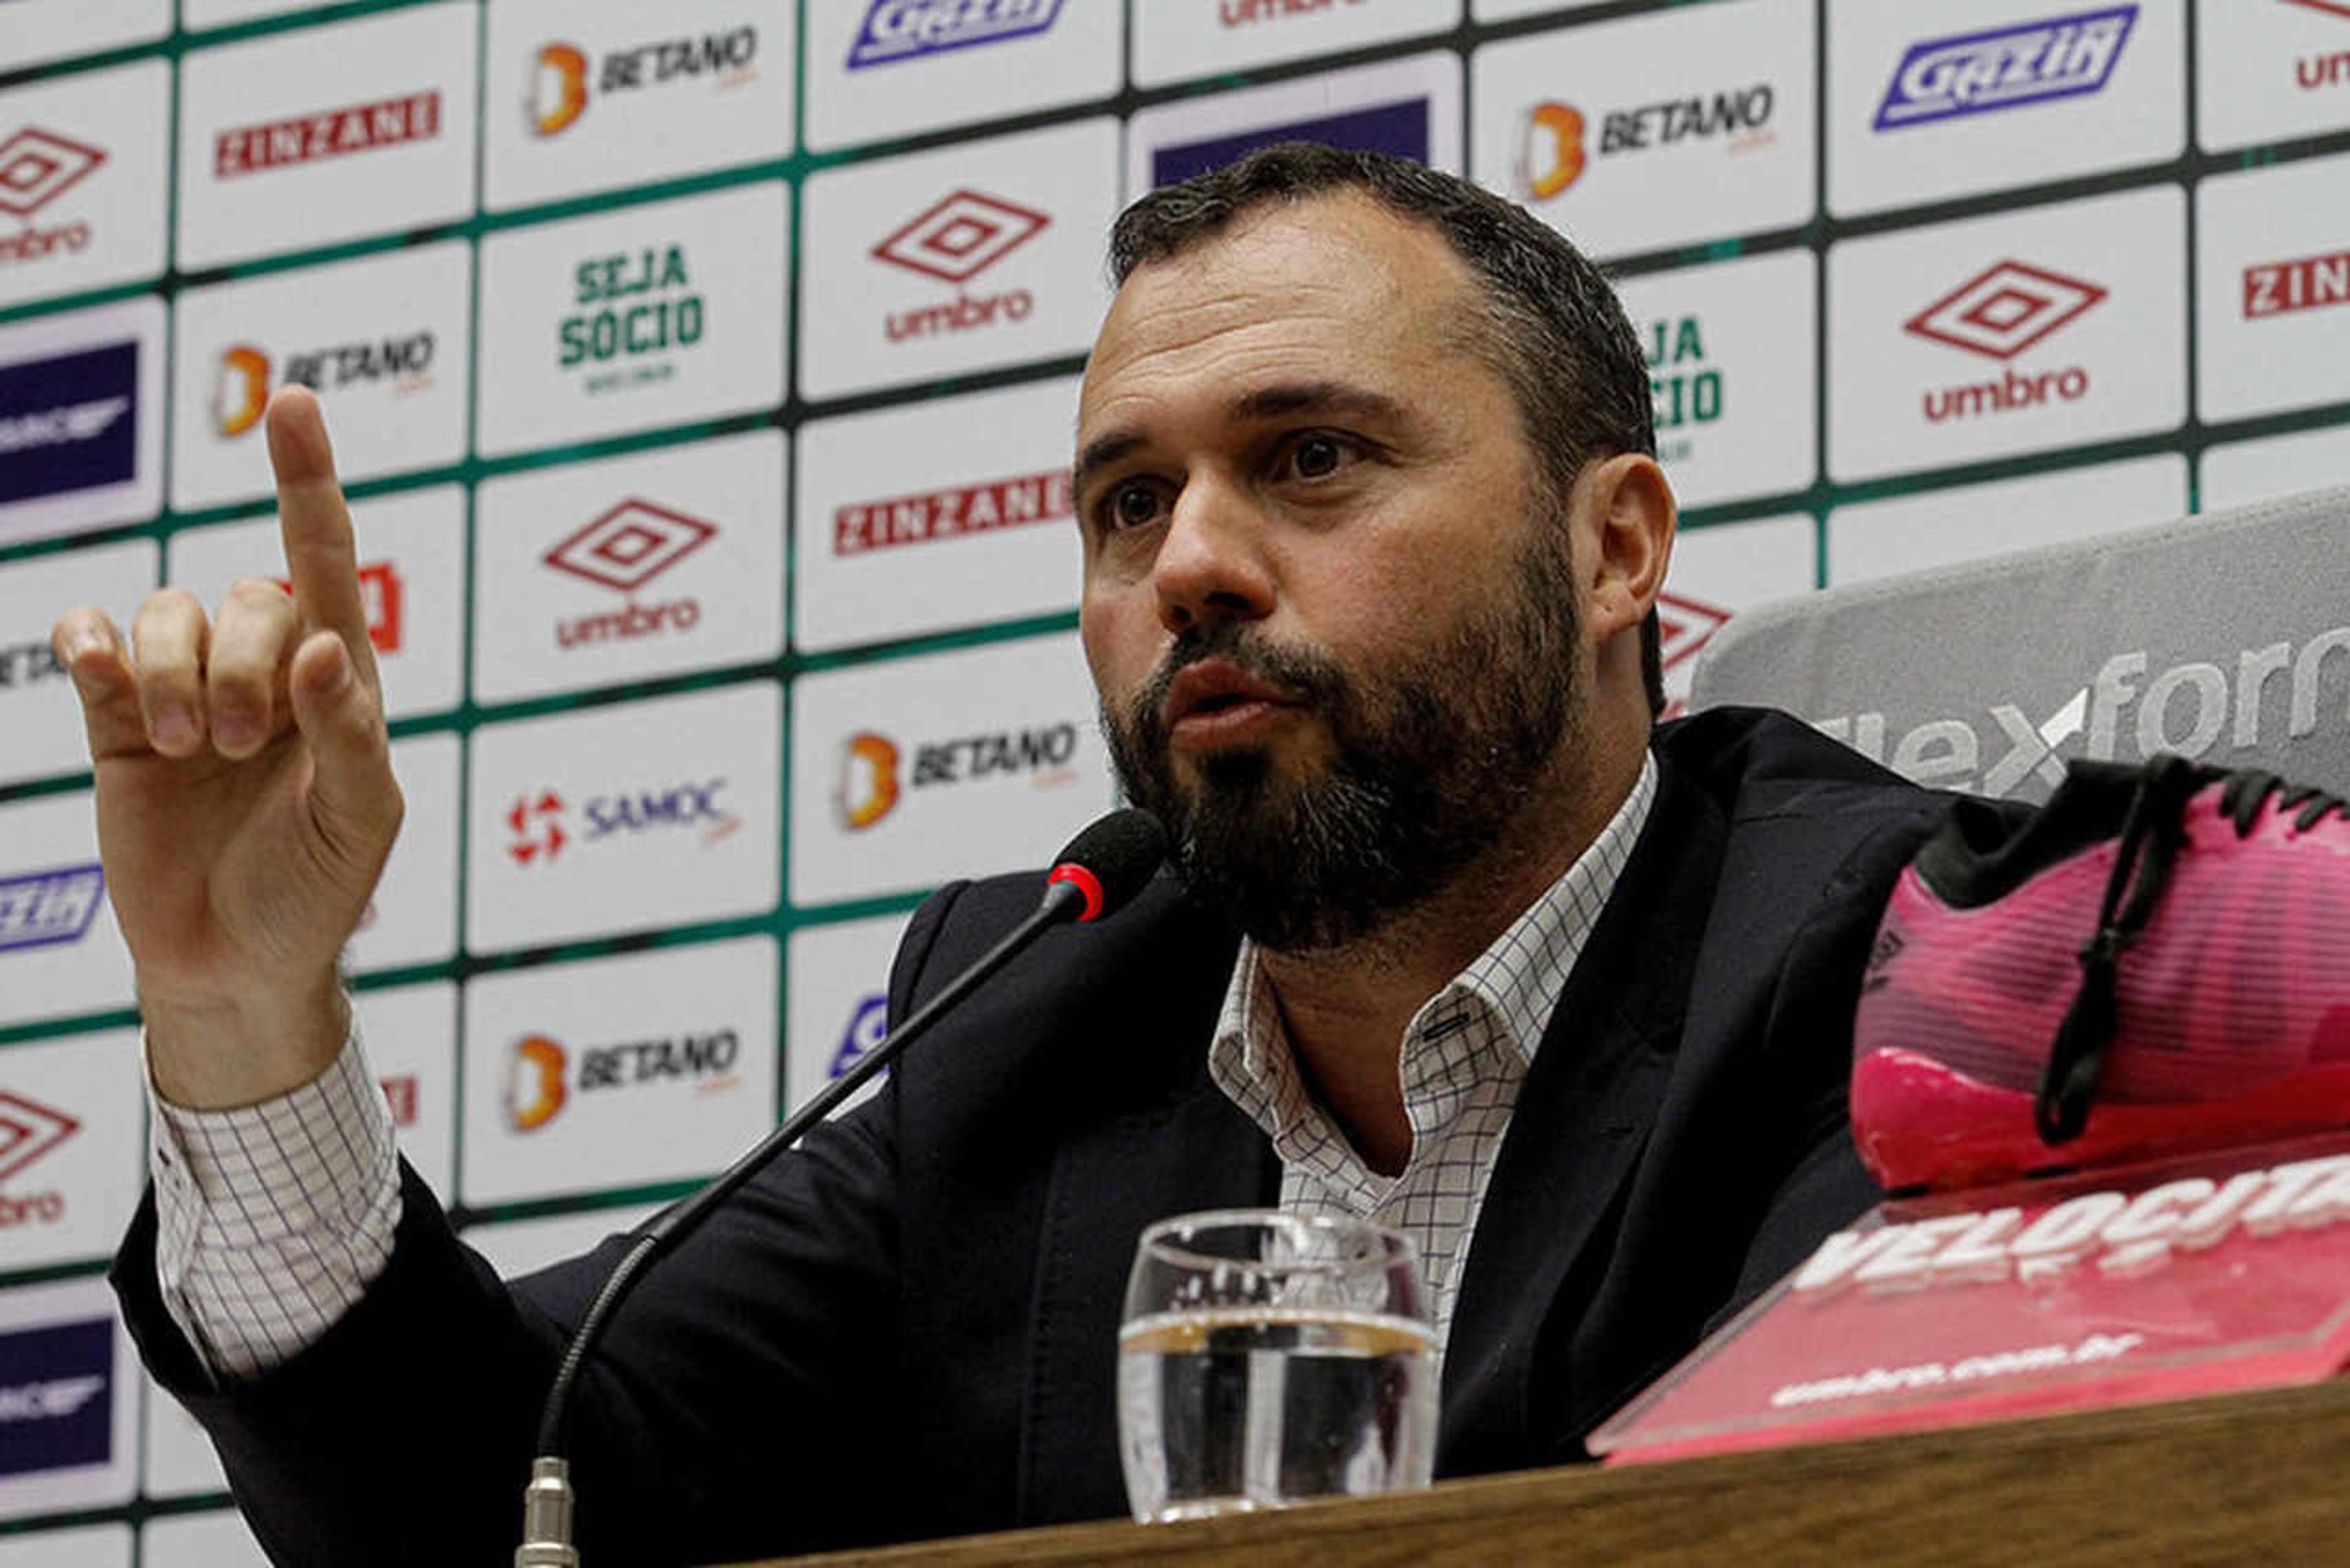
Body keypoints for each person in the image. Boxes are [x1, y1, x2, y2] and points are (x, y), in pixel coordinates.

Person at [56, 146, 1962, 1563]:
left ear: (1615, 544)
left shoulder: (1886, 968)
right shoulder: (1031, 1012)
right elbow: (493, 1496)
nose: (1193, 564)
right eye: (1131, 500)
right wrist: (243, 1009)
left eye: (1311, 458)